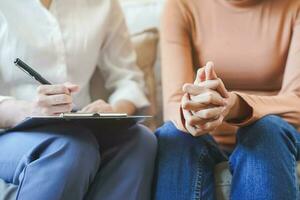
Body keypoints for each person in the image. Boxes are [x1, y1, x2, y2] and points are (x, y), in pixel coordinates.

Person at [0, 0, 157, 199]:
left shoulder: (104, 5)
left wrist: (112, 109)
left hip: (80, 126)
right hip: (9, 130)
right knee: (72, 149)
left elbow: (128, 79)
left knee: (141, 140)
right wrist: (29, 110)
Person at [154, 0, 300, 199]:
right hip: (206, 136)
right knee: (173, 134)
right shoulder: (181, 6)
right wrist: (191, 113)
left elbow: (296, 102)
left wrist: (236, 106)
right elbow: (174, 102)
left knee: (266, 130)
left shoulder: (295, 6)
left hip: (278, 134)